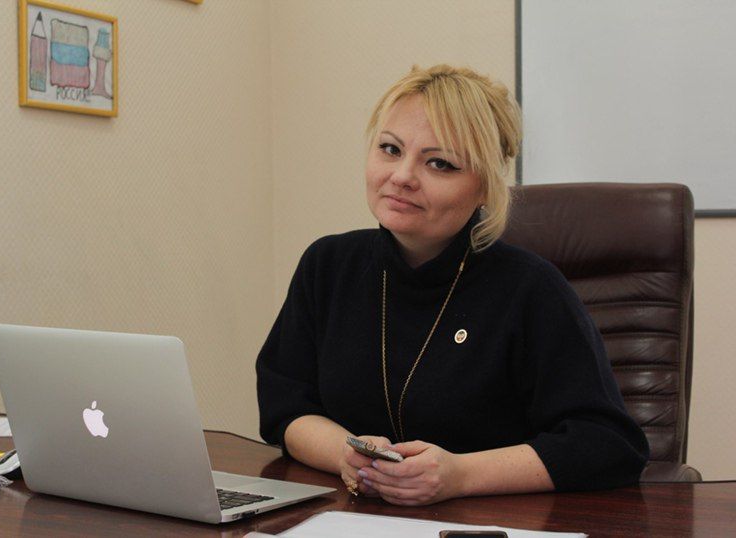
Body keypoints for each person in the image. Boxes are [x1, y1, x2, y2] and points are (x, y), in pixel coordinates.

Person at [256, 64, 649, 506]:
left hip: (490, 523)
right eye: (390, 149)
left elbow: (607, 443)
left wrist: (460, 476)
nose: (402, 176)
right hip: (353, 519)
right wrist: (347, 455)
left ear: (484, 187)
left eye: (440, 163)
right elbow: (286, 406)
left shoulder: (531, 289)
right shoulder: (327, 266)